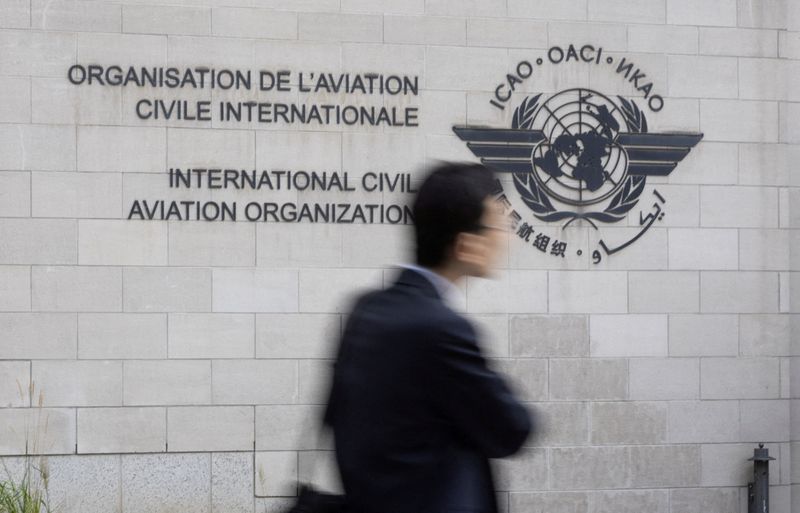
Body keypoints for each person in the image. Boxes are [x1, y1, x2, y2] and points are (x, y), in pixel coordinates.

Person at [323, 162, 534, 513]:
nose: (508, 232)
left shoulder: (364, 309)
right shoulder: (442, 329)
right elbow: (512, 429)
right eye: (500, 221)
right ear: (467, 246)